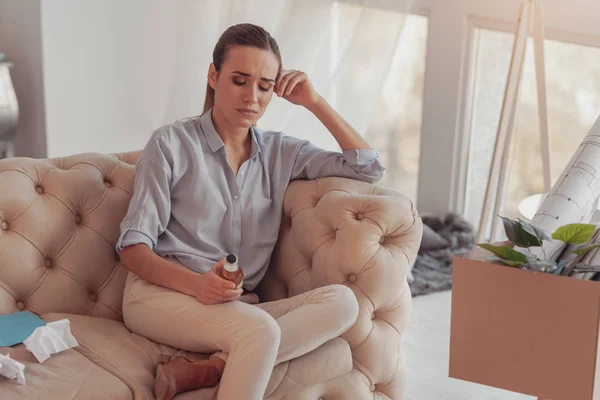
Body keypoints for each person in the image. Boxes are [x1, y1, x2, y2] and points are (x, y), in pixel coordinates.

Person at [116, 23, 386, 400]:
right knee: (260, 332)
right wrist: (198, 285)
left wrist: (314, 101)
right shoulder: (170, 144)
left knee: (343, 303)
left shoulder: (280, 152)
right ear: (214, 76)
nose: (252, 98)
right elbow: (132, 249)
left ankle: (210, 367)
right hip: (160, 297)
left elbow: (368, 168)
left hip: (236, 307)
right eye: (240, 81)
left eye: (264, 86)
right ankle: (228, 357)